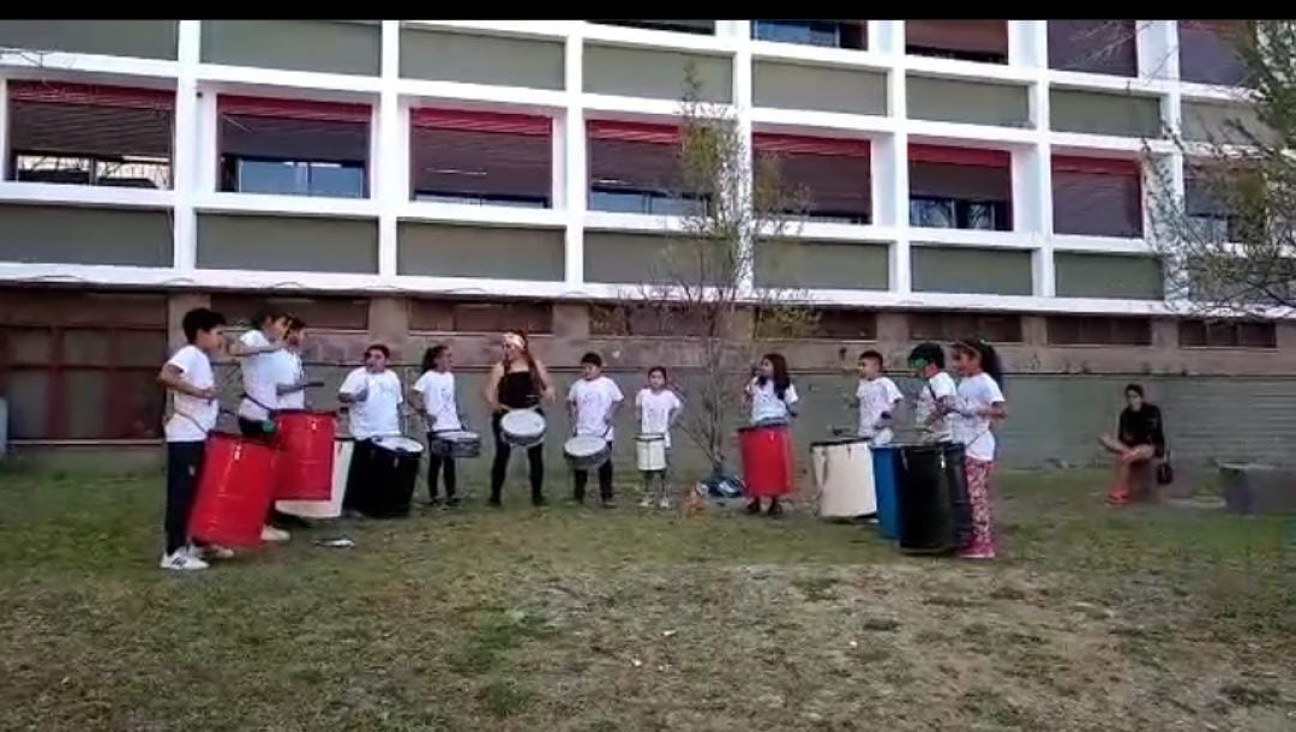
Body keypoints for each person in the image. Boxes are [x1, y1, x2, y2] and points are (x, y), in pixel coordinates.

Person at [157, 307, 228, 571]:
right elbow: (166, 375)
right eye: (218, 333)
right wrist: (199, 393)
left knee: (198, 492)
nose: (221, 339)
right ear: (201, 333)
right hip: (184, 437)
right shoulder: (189, 354)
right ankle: (173, 552)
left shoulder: (200, 358)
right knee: (182, 494)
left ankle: (198, 542)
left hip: (197, 435)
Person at [232, 307, 290, 543]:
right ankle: (257, 523)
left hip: (266, 415)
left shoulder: (272, 348)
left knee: (267, 471)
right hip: (254, 415)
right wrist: (270, 348)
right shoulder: (255, 337)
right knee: (259, 472)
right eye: (282, 323)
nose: (284, 330)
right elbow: (235, 349)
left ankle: (262, 520)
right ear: (268, 321)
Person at [950, 338, 1009, 560]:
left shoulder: (986, 382)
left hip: (979, 449)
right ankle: (970, 538)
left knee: (977, 497)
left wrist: (977, 410)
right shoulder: (964, 383)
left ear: (975, 359)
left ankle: (984, 544)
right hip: (964, 445)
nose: (955, 364)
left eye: (959, 358)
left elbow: (1001, 411)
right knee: (966, 496)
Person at [484, 332, 556, 507]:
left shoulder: (534, 365)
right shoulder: (500, 367)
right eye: (504, 347)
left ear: (520, 347)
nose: (506, 350)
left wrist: (549, 392)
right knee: (502, 455)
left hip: (531, 414)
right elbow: (489, 391)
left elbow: (549, 385)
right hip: (507, 415)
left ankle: (537, 496)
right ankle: (495, 496)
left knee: (535, 457)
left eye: (509, 346)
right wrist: (494, 405)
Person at [338, 343, 405, 511]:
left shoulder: (392, 377)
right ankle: (353, 506)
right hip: (364, 431)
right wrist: (355, 397)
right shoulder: (357, 375)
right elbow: (342, 395)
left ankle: (377, 505)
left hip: (388, 431)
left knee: (383, 470)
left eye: (377, 357)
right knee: (360, 470)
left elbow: (397, 402)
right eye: (369, 356)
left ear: (386, 361)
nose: (372, 360)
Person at [743, 353, 799, 517]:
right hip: (758, 427)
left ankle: (775, 502)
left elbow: (793, 404)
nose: (763, 367)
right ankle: (756, 500)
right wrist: (745, 399)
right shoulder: (755, 383)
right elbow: (746, 394)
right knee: (756, 466)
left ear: (777, 367)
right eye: (762, 364)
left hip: (776, 427)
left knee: (774, 467)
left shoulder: (785, 386)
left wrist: (793, 411)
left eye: (767, 364)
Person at [567, 352, 625, 508]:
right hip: (582, 431)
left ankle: (607, 497)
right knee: (580, 466)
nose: (587, 371)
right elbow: (571, 402)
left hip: (602, 432)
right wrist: (573, 416)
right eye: (584, 368)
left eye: (590, 368)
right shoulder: (577, 385)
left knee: (604, 465)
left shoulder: (607, 384)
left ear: (599, 369)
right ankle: (578, 496)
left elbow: (618, 401)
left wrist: (610, 414)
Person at [411, 344, 465, 508]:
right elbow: (412, 395)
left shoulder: (450, 377)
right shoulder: (428, 377)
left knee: (450, 461)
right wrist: (424, 412)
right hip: (436, 427)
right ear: (436, 360)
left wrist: (458, 420)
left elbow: (450, 401)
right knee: (437, 460)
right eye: (446, 356)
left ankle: (451, 493)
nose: (450, 360)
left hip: (452, 425)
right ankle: (434, 495)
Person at [1099, 384, 1167, 505]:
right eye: (1129, 397)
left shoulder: (1152, 411)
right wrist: (1122, 445)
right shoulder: (1125, 414)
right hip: (1131, 447)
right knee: (1104, 438)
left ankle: (1121, 490)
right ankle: (1128, 456)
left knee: (1126, 457)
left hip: (1150, 447)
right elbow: (1121, 437)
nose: (1131, 400)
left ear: (1141, 398)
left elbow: (1151, 435)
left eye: (1135, 397)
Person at [635, 366, 682, 509]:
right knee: (647, 470)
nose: (656, 380)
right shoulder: (643, 394)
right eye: (653, 377)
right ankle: (647, 495)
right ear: (649, 379)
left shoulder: (668, 395)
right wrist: (640, 422)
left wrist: (670, 422)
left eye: (659, 377)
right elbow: (637, 409)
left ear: (664, 380)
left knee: (664, 470)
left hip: (663, 439)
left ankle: (665, 496)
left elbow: (679, 407)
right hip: (647, 438)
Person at [909, 342, 958, 444]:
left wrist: (926, 422)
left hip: (942, 439)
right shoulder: (933, 382)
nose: (916, 369)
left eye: (918, 364)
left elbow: (945, 405)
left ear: (932, 364)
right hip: (933, 438)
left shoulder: (939, 379)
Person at [853, 350, 904, 445]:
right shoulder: (862, 384)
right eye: (859, 365)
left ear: (876, 367)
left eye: (864, 365)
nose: (860, 368)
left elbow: (897, 401)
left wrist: (886, 418)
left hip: (881, 433)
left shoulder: (885, 383)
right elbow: (859, 402)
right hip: (865, 432)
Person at [273, 317, 309, 412]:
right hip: (280, 410)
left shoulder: (296, 358)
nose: (304, 338)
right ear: (292, 332)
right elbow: (273, 388)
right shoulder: (276, 356)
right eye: (303, 334)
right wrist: (300, 385)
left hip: (297, 410)